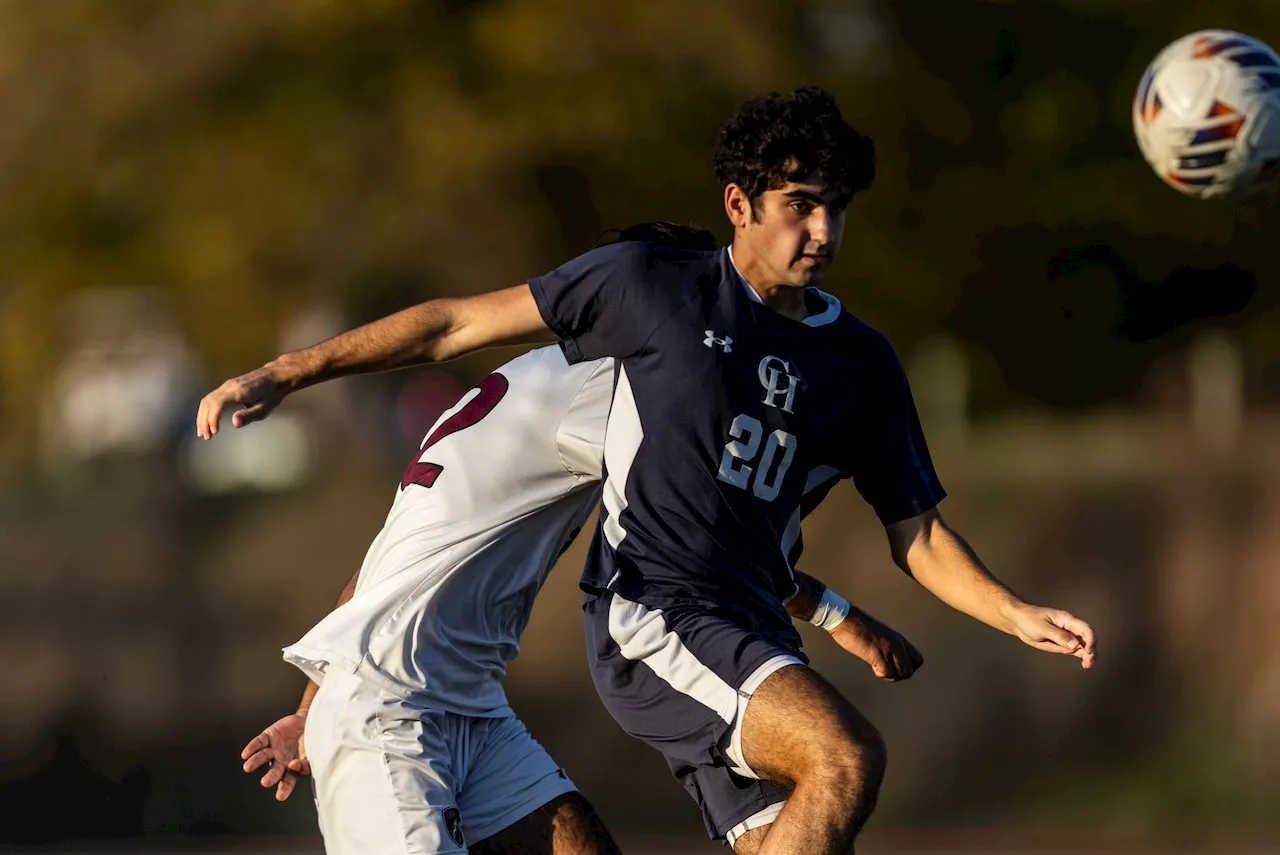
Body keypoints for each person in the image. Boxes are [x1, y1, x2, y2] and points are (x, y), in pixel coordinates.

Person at [200, 86, 1098, 855]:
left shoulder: (594, 387)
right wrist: (282, 372)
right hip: (440, 696)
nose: (822, 230)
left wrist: (313, 697)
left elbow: (399, 552)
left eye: (836, 207)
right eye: (799, 205)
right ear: (737, 206)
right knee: (844, 758)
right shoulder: (625, 358)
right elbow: (453, 331)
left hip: (462, 705)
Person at [216, 222, 923, 855]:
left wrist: (310, 710)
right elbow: (708, 536)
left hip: (464, 710)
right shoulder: (613, 384)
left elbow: (373, 575)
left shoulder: (520, 381)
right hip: (388, 711)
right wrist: (840, 615)